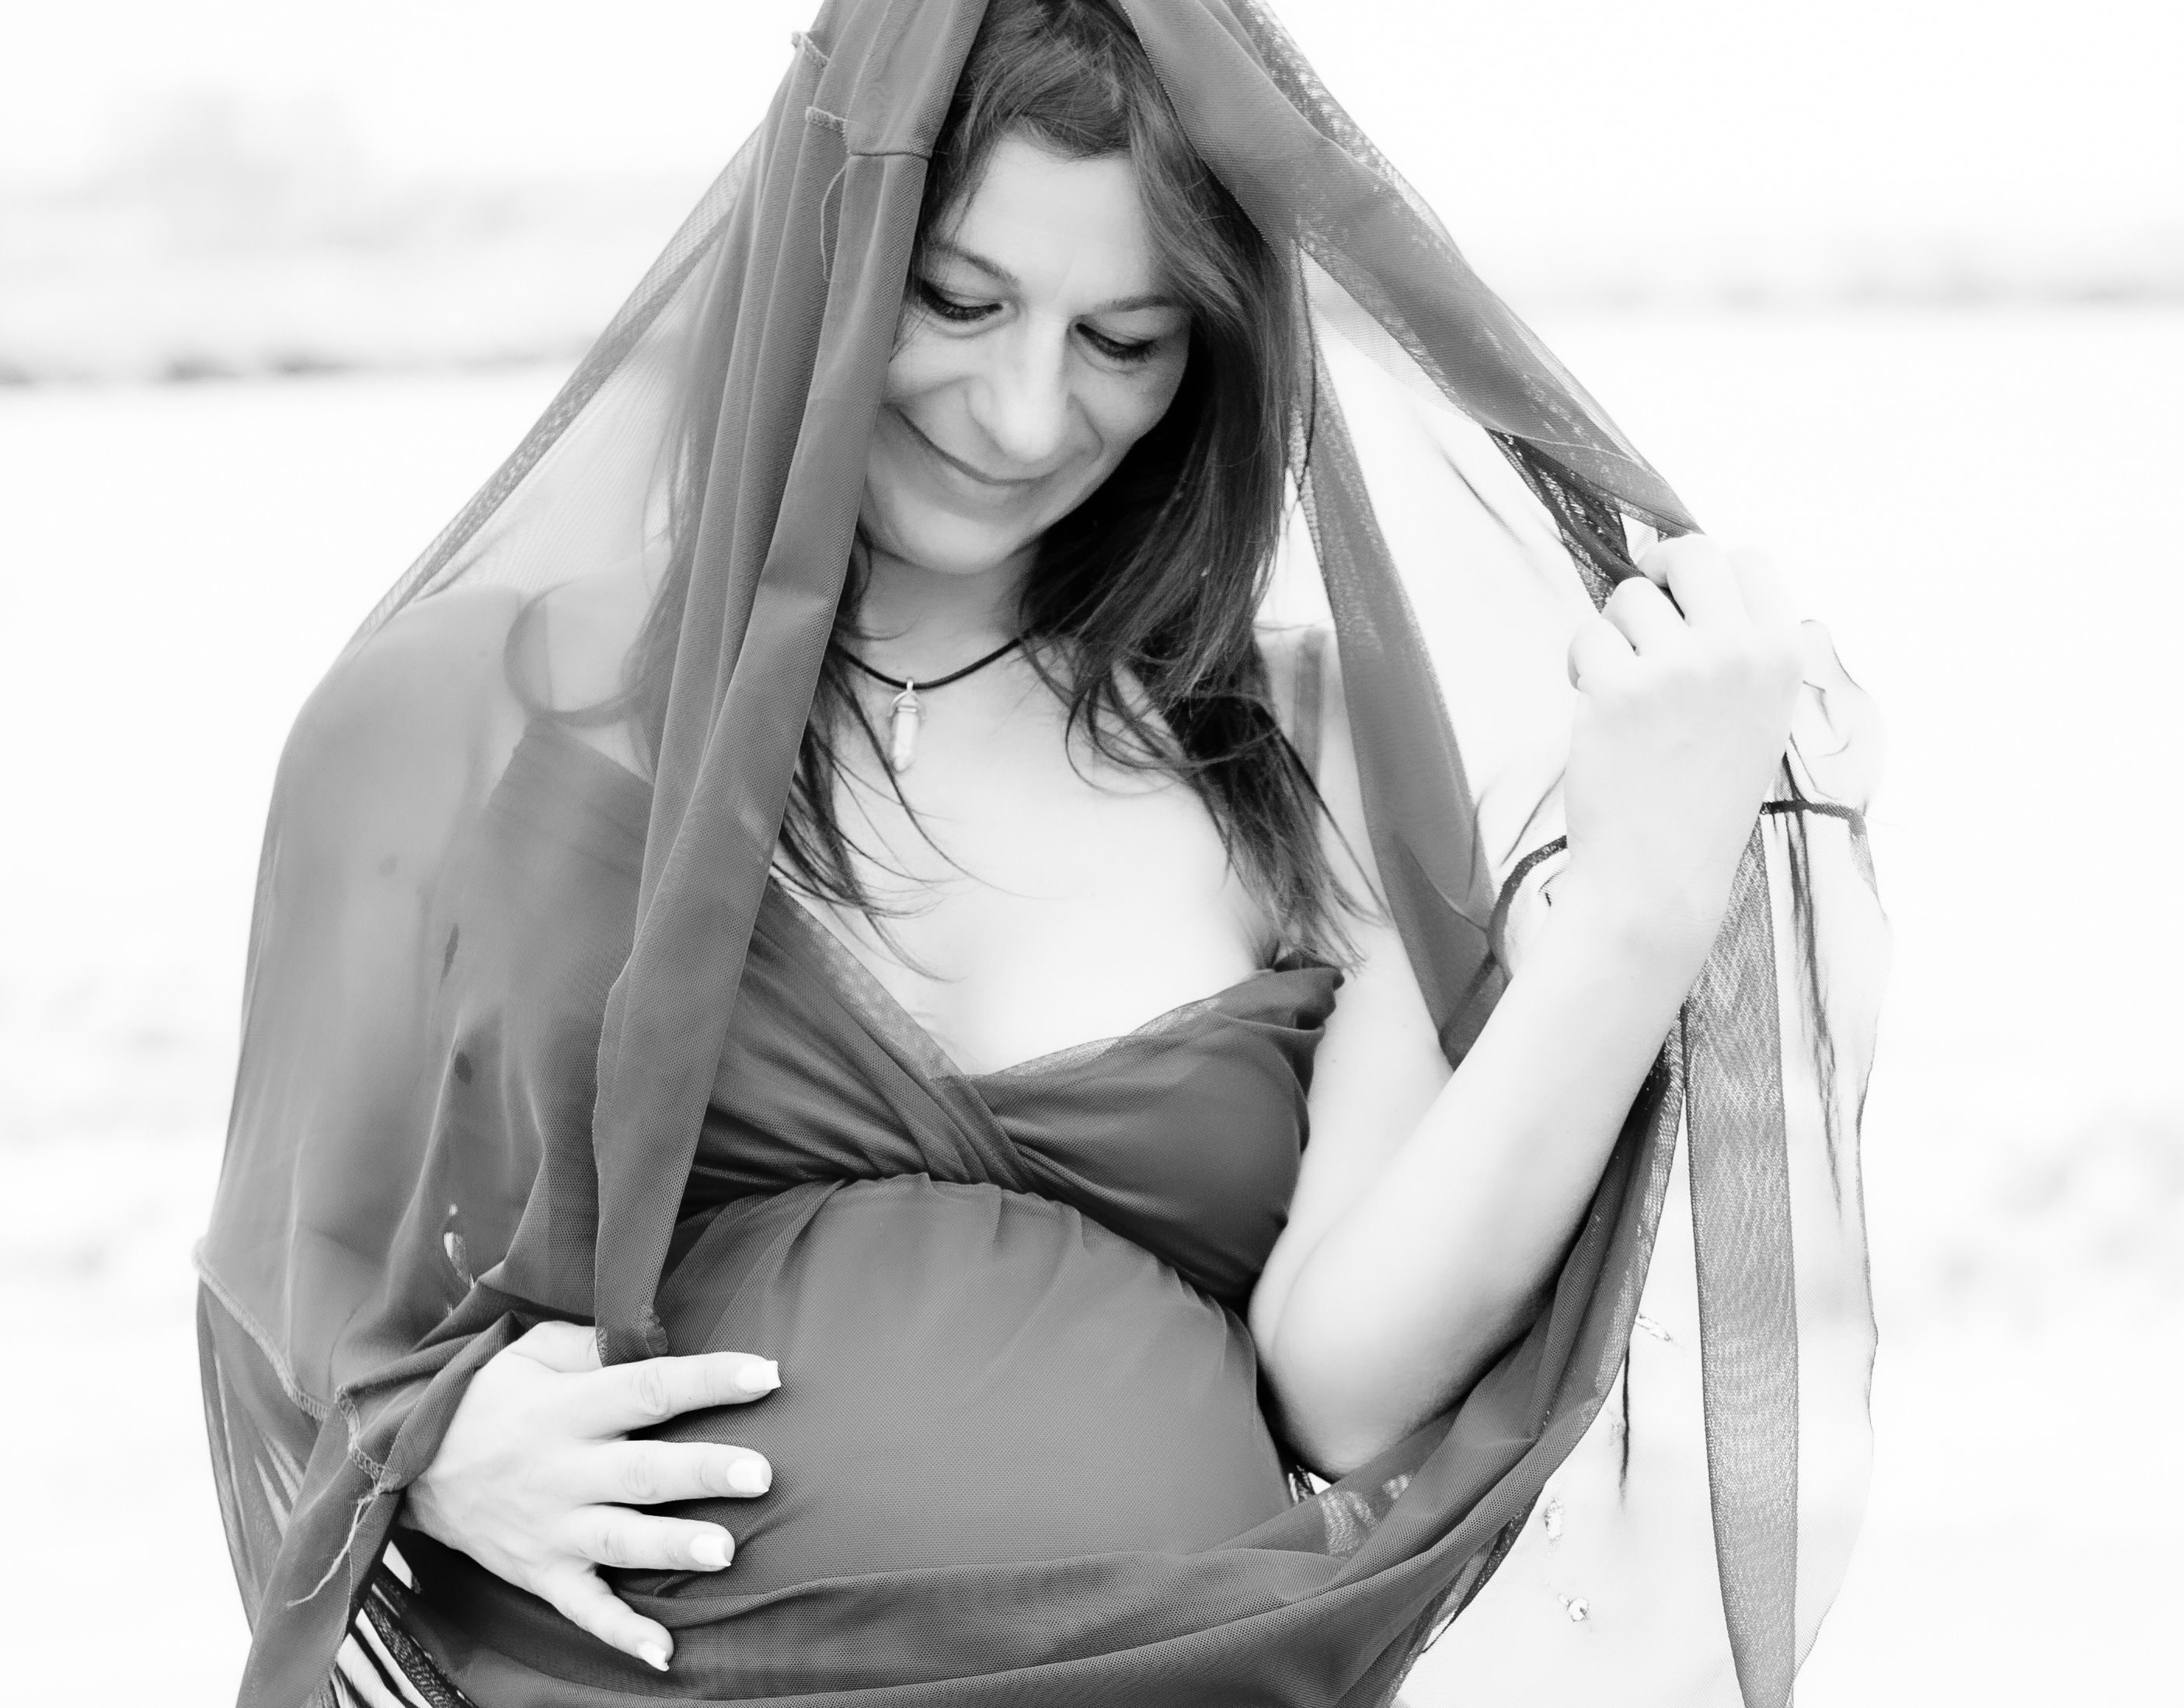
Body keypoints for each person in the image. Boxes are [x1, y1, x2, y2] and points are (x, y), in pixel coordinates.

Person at [198, 3, 1885, 1706]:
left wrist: (1637, 919)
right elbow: (294, 1281)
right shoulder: (475, 712)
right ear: (829, 243)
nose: (1021, 414)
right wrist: (437, 1441)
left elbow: (1344, 1386)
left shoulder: (1296, 750)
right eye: (958, 299)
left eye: (1124, 340)